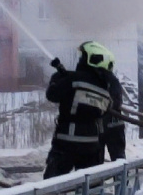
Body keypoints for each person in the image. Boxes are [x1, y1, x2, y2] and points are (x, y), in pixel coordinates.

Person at [43, 41, 123, 179]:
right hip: (91, 145)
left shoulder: (72, 79)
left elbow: (52, 95)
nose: (80, 60)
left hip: (65, 143)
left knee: (51, 185)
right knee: (90, 186)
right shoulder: (106, 88)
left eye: (82, 57)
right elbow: (108, 108)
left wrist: (56, 79)